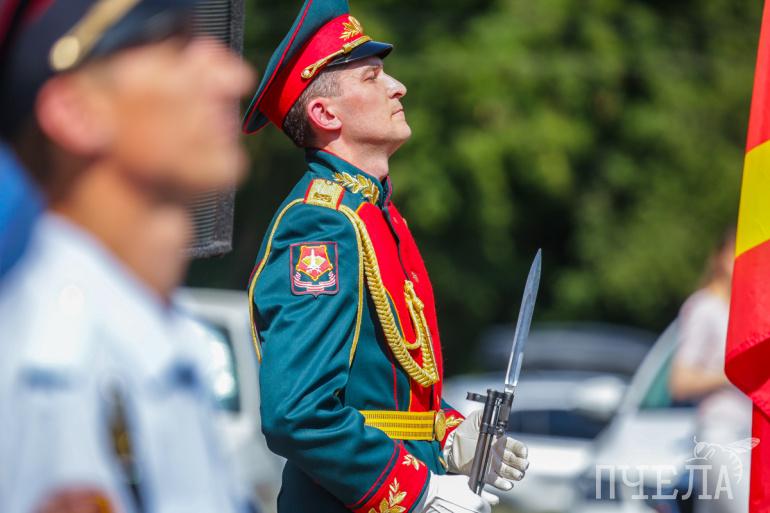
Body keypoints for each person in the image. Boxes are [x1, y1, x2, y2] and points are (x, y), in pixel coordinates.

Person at [243, 1, 529, 512]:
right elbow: (296, 413)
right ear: (325, 114)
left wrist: (448, 436)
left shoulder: (373, 213)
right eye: (372, 77)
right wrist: (417, 491)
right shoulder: (322, 224)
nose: (398, 87)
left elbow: (388, 391)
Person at [0, 1, 255, 512]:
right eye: (178, 48)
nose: (236, 77)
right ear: (75, 112)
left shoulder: (166, 337)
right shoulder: (48, 379)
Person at [670, 229, 753, 513]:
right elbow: (680, 381)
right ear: (719, 257)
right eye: (735, 254)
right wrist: (731, 373)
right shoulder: (704, 307)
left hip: (747, 433)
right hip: (720, 433)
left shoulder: (744, 310)